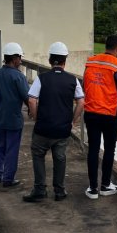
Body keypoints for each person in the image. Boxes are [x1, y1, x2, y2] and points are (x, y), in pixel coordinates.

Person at [23, 41, 85, 203]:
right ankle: (59, 190)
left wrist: (36, 117)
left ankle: (39, 190)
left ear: (50, 60)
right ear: (65, 60)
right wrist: (73, 120)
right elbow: (81, 102)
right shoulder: (73, 80)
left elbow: (31, 100)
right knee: (60, 158)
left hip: (43, 128)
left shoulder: (41, 78)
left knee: (38, 156)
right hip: (62, 130)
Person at [82, 35, 117, 199]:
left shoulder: (91, 62)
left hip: (91, 112)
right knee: (109, 149)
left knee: (93, 149)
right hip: (110, 114)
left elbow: (85, 84)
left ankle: (92, 188)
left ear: (105, 46)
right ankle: (105, 185)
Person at [0, 42, 29, 188]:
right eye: (20, 58)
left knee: (0, 145)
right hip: (14, 119)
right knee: (12, 148)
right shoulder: (19, 77)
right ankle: (8, 178)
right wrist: (32, 110)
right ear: (14, 58)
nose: (21, 61)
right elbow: (27, 97)